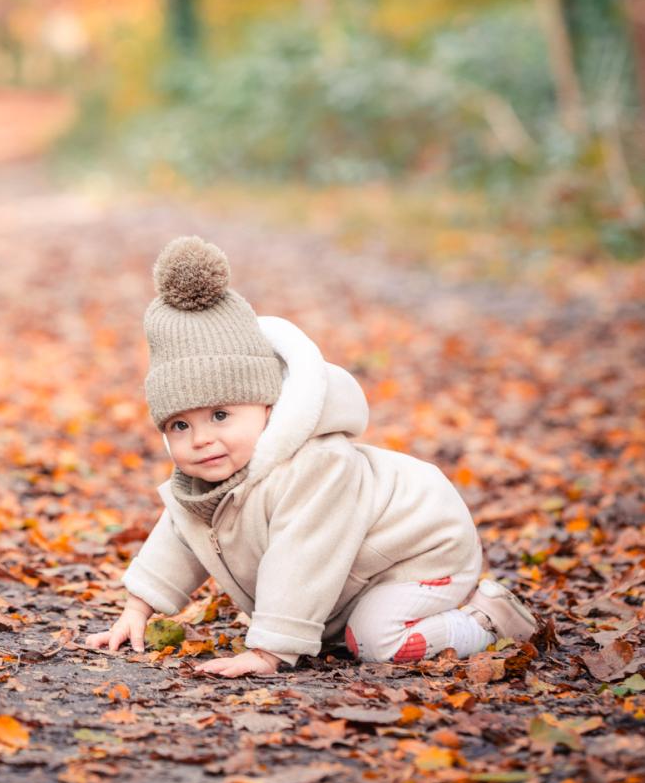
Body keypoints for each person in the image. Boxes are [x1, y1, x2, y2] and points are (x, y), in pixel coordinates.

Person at [86, 235, 535, 676]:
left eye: (220, 414)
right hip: (361, 568)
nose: (200, 438)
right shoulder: (216, 471)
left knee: (376, 640)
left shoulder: (317, 467)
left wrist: (269, 651)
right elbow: (184, 534)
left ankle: (485, 619)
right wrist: (137, 608)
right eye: (180, 425)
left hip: (423, 550)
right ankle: (350, 619)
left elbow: (304, 554)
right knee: (342, 635)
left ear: (268, 407)